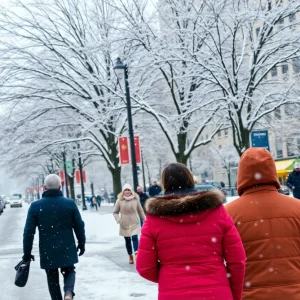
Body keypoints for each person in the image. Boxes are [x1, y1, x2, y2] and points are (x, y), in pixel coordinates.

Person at [136, 163, 246, 300]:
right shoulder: (217, 212)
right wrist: (234, 294)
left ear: (164, 184)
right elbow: (237, 260)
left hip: (173, 293)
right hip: (216, 291)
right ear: (190, 180)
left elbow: (144, 267)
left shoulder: (154, 219)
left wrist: (170, 275)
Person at [226, 148, 300, 300]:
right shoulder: (297, 208)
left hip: (248, 294)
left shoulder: (228, 214)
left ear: (241, 175)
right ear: (272, 171)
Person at [23, 174, 86, 300]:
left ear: (44, 187)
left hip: (48, 248)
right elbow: (79, 225)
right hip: (66, 246)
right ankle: (68, 292)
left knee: (52, 277)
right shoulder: (69, 204)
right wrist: (81, 242)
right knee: (69, 270)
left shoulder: (36, 206)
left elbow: (29, 231)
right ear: (60, 186)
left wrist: (27, 252)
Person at [113, 184, 146, 264]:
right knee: (127, 240)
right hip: (124, 223)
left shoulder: (135, 199)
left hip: (134, 222)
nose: (127, 192)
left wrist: (145, 220)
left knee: (135, 237)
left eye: (128, 190)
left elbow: (140, 210)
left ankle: (136, 253)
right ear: (123, 191)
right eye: (125, 190)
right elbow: (115, 212)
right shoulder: (119, 200)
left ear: (131, 191)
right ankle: (130, 255)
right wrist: (119, 220)